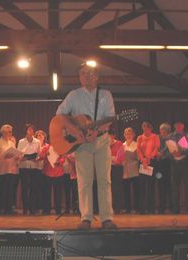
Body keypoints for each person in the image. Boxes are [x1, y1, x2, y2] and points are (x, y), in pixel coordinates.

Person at [55, 63, 116, 229]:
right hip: (81, 144)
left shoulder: (105, 95)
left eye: (90, 73)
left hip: (102, 141)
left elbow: (109, 118)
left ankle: (106, 218)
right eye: (83, 73)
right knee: (84, 181)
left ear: (97, 76)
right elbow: (59, 115)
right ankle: (86, 218)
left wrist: (99, 130)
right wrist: (74, 130)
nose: (86, 76)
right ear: (79, 77)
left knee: (105, 180)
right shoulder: (73, 95)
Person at [168, 121, 188, 214]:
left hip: (185, 163)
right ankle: (175, 209)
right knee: (174, 187)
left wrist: (182, 153)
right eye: (176, 124)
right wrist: (172, 155)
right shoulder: (170, 136)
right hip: (174, 163)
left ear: (183, 125)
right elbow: (166, 150)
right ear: (174, 125)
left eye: (180, 124)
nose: (178, 126)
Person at [0, 124, 20, 215]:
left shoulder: (12, 143)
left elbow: (15, 155)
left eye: (11, 132)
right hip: (2, 170)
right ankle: (0, 209)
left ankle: (8, 209)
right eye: (9, 132)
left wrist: (17, 157)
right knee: (2, 190)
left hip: (12, 169)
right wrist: (4, 155)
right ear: (3, 132)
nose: (10, 133)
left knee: (10, 190)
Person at [17, 124, 41, 215]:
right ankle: (25, 208)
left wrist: (37, 158)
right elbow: (18, 154)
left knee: (33, 188)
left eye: (32, 129)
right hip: (24, 167)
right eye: (29, 129)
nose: (31, 131)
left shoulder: (37, 142)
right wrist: (22, 157)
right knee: (25, 188)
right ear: (26, 131)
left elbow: (39, 154)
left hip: (34, 166)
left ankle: (32, 208)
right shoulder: (21, 141)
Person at [136, 121, 159, 214]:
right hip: (142, 162)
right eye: (144, 126)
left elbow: (156, 148)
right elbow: (138, 149)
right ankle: (141, 209)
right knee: (142, 186)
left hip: (151, 162)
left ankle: (151, 208)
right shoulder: (139, 137)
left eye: (147, 127)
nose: (145, 128)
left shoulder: (155, 137)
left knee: (150, 186)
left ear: (150, 128)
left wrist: (149, 158)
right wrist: (143, 160)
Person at [121, 127, 139, 214]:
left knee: (136, 190)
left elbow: (139, 157)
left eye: (130, 134)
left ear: (133, 135)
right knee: (126, 190)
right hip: (125, 170)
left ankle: (136, 208)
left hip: (135, 169)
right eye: (126, 134)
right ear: (124, 135)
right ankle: (127, 208)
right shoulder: (122, 145)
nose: (128, 135)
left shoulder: (136, 144)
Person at [155, 123, 172, 214]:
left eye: (165, 129)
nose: (163, 131)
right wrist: (157, 153)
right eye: (161, 129)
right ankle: (161, 208)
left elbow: (171, 149)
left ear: (168, 130)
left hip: (168, 163)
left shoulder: (171, 138)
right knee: (160, 185)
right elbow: (154, 147)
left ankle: (171, 207)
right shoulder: (157, 138)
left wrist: (162, 153)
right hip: (159, 165)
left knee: (169, 185)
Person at [109, 129, 124, 214]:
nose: (109, 137)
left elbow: (121, 156)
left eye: (110, 135)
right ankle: (109, 207)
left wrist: (114, 159)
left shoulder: (119, 143)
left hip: (117, 168)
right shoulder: (104, 145)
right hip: (107, 168)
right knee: (108, 188)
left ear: (113, 136)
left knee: (117, 188)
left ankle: (117, 207)